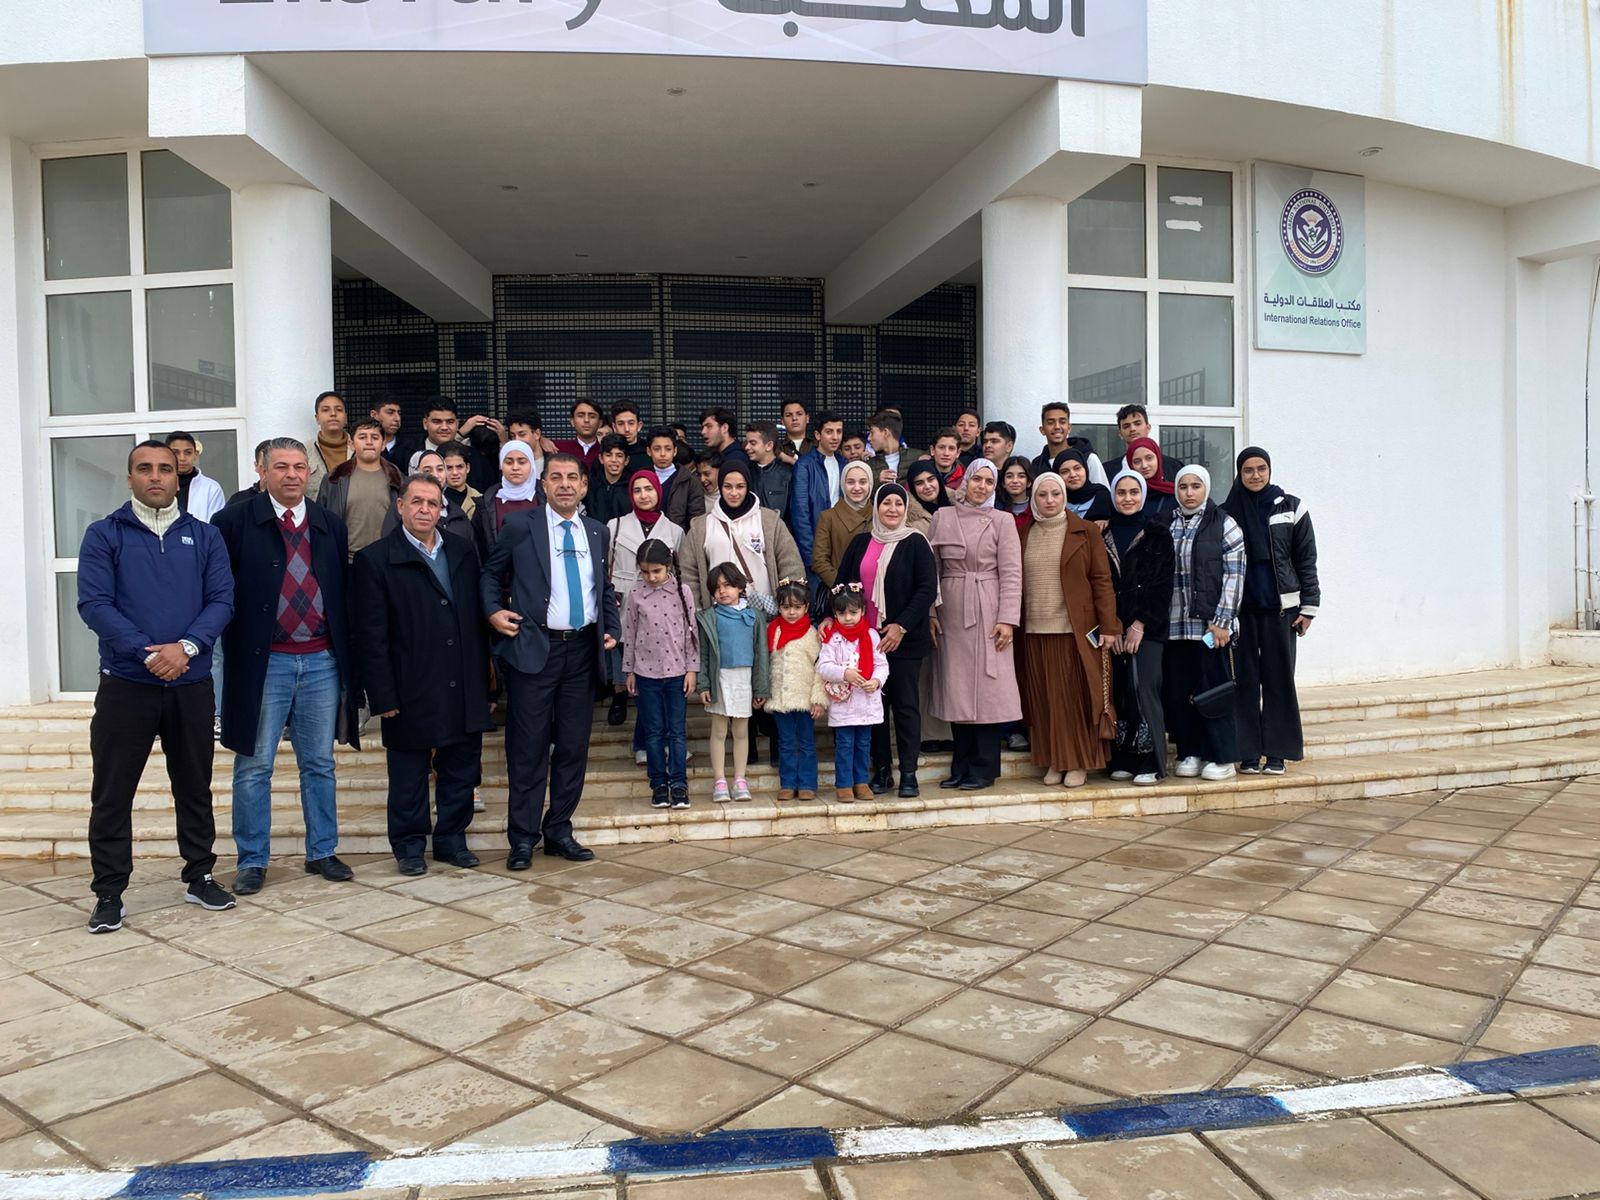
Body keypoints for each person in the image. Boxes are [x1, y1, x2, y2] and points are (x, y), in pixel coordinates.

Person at [78, 441, 236, 933]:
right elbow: (94, 604)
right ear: (129, 478)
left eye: (165, 469)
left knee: (194, 786)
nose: (155, 476)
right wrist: (147, 652)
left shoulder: (205, 536)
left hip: (190, 684)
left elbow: (222, 600)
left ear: (177, 477)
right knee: (112, 792)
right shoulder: (105, 534)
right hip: (126, 685)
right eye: (144, 468)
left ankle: (200, 875)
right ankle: (109, 892)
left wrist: (185, 648)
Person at [211, 437, 358, 895]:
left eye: (299, 467)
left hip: (320, 661)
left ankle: (323, 851)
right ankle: (252, 859)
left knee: (320, 764)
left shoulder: (329, 523)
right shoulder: (232, 522)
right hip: (264, 663)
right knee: (254, 766)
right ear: (262, 470)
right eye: (281, 466)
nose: (292, 474)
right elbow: (219, 590)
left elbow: (340, 590)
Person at [481, 453, 621, 866]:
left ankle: (559, 829)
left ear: (584, 486)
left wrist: (611, 626)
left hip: (581, 652)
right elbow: (490, 574)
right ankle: (523, 838)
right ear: (543, 484)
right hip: (534, 650)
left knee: (573, 747)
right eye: (556, 477)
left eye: (572, 477)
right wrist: (492, 611)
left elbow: (603, 587)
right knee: (528, 748)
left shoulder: (596, 532)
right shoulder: (520, 526)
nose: (564, 484)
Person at [353, 472, 491, 875]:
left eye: (433, 503)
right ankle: (410, 846)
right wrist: (382, 694)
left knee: (461, 768)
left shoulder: (462, 551)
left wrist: (485, 684)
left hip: (461, 680)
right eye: (416, 502)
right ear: (400, 506)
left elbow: (475, 619)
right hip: (409, 684)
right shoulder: (375, 559)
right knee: (408, 775)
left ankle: (451, 840)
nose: (424, 510)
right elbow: (370, 635)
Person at [1017, 472, 1122, 788]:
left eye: (1056, 494)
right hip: (1034, 631)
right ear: (1034, 499)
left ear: (1065, 496)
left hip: (1074, 630)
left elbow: (1102, 580)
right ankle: (1053, 760)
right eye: (1042, 495)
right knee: (1044, 700)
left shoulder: (1085, 531)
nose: (1049, 500)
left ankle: (1077, 762)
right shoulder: (1024, 533)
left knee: (1074, 700)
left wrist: (1109, 626)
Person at [1221, 447, 1320, 775]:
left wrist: (1309, 607)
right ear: (1239, 474)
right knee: (1244, 682)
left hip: (1282, 612)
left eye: (1261, 468)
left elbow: (1306, 559)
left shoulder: (1291, 507)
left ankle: (1277, 754)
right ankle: (1247, 752)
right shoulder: (1226, 512)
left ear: (1270, 470)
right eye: (1248, 470)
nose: (1255, 475)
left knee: (1279, 681)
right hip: (1241, 613)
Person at [836, 483, 938, 797]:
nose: (892, 509)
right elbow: (842, 585)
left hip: (904, 640)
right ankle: (881, 770)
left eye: (898, 503)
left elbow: (926, 589)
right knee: (873, 706)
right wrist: (832, 618)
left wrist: (900, 626)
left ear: (906, 508)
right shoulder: (860, 542)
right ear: (876, 507)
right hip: (864, 641)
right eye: (886, 503)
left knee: (905, 705)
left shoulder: (916, 542)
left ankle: (908, 773)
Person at [928, 460, 1022, 791]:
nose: (981, 486)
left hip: (989, 607)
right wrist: (931, 612)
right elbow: (932, 570)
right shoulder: (942, 517)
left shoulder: (1002, 520)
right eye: (976, 479)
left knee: (988, 690)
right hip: (952, 610)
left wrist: (1007, 618)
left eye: (988, 481)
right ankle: (961, 764)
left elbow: (1012, 573)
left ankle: (984, 767)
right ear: (965, 481)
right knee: (957, 689)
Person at [1165, 465, 1246, 782]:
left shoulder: (1224, 524)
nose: (1189, 492)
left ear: (1206, 488)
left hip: (1211, 629)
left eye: (1195, 486)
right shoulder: (1167, 523)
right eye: (1183, 486)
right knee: (1180, 694)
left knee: (1214, 694)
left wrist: (1222, 620)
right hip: (1174, 628)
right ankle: (1190, 752)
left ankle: (1221, 757)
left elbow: (1235, 576)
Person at [1103, 469, 1175, 785]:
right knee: (1121, 692)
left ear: (1143, 495)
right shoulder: (1103, 534)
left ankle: (1152, 762)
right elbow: (1101, 585)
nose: (1128, 498)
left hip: (1148, 629)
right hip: (1115, 630)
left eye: (1134, 492)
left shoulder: (1157, 533)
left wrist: (1139, 624)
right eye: (1121, 492)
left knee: (1144, 689)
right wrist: (1113, 626)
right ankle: (1124, 758)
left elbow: (1162, 585)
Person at [606, 470, 685, 731]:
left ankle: (651, 726)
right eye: (637, 490)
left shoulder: (674, 531)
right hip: (626, 596)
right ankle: (619, 695)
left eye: (649, 489)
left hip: (662, 603)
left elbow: (681, 571)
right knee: (623, 649)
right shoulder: (615, 526)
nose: (643, 495)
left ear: (658, 492)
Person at [624, 540, 698, 809]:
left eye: (656, 571)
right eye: (645, 572)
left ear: (668, 566)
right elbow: (630, 632)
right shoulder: (636, 593)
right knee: (653, 732)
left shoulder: (683, 591)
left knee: (676, 731)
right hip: (646, 673)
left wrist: (692, 669)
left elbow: (691, 633)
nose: (651, 577)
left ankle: (679, 784)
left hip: (677, 673)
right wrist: (629, 670)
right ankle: (658, 784)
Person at [680, 461, 805, 614]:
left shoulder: (769, 521)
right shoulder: (701, 526)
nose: (734, 493)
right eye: (727, 487)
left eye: (740, 486)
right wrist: (697, 611)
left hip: (763, 615)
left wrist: (790, 605)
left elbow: (790, 564)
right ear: (720, 486)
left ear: (748, 486)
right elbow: (688, 573)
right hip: (718, 617)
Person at [697, 563, 769, 803]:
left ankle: (740, 779)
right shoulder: (709, 617)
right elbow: (704, 654)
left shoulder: (754, 616)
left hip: (744, 679)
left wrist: (760, 687)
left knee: (741, 731)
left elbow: (761, 655)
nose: (722, 591)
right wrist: (703, 684)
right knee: (719, 731)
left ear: (740, 587)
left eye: (727, 585)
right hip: (720, 678)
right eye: (717, 588)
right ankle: (719, 780)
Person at [818, 583, 887, 802]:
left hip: (866, 702)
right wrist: (843, 673)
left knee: (863, 744)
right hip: (844, 703)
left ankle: (861, 782)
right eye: (842, 613)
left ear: (863, 611)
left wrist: (876, 681)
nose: (848, 618)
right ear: (835, 614)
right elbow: (823, 666)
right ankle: (844, 784)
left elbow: (881, 664)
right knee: (845, 744)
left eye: (853, 612)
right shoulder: (833, 638)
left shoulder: (871, 635)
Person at [764, 578, 827, 802]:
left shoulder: (812, 635)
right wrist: (762, 691)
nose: (791, 612)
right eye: (786, 607)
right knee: (786, 742)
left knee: (807, 743)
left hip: (804, 699)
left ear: (806, 607)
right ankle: (788, 783)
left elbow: (820, 669)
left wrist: (818, 699)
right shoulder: (772, 631)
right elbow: (766, 663)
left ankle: (807, 783)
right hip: (780, 698)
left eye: (797, 607)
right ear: (779, 607)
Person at [318, 418, 403, 559]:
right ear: (351, 443)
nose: (369, 442)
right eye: (362, 437)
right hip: (347, 560)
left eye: (375, 437)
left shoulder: (399, 480)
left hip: (387, 559)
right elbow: (321, 523)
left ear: (383, 444)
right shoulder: (334, 480)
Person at [789, 410, 846, 569]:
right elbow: (800, 513)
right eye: (829, 432)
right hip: (817, 544)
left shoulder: (845, 463)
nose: (835, 437)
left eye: (839, 431)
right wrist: (810, 556)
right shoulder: (804, 465)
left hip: (842, 542)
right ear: (817, 435)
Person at [473, 439, 542, 562]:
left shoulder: (546, 497)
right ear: (501, 465)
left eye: (522, 462)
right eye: (509, 462)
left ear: (531, 464)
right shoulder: (487, 503)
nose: (515, 467)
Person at [385, 449, 474, 543]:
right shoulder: (400, 508)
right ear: (414, 472)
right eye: (427, 470)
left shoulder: (456, 511)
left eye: (440, 469)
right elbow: (389, 545)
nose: (435, 475)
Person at [812, 460, 875, 589]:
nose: (857, 488)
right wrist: (841, 587)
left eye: (863, 482)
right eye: (850, 482)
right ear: (842, 484)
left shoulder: (880, 516)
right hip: (842, 595)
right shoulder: (828, 517)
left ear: (871, 484)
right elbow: (819, 561)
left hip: (874, 593)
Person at [1032, 401, 1108, 488]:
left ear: (1069, 428)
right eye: (1050, 423)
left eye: (1062, 422)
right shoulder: (1037, 465)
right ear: (1042, 430)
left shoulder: (1088, 458)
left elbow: (1103, 492)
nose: (1057, 427)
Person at [1106, 404, 1184, 478]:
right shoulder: (1108, 471)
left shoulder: (1173, 467)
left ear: (1148, 428)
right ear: (1120, 434)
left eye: (1137, 424)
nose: (1132, 429)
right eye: (1126, 426)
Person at [649, 425, 704, 528]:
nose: (662, 454)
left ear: (675, 451)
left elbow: (696, 520)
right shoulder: (640, 478)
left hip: (679, 537)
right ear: (649, 451)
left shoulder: (690, 480)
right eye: (657, 449)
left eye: (668, 449)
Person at [165, 431, 225, 522]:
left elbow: (215, 524)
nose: (182, 458)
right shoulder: (158, 485)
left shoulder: (211, 488)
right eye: (175, 453)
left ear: (195, 455)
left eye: (188, 452)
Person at [306, 391, 353, 502]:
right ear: (317, 418)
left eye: (339, 410)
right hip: (316, 511)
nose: (333, 414)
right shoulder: (304, 451)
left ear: (346, 418)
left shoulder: (360, 449)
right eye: (325, 410)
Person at [745, 421, 793, 518]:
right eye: (747, 442)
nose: (747, 447)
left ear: (769, 445)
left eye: (753, 443)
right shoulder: (745, 473)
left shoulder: (788, 474)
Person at [1125, 436, 1178, 521]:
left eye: (1149, 458)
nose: (1144, 465)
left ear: (1158, 458)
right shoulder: (1126, 496)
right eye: (1137, 461)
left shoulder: (1175, 494)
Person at [1055, 448, 1115, 523]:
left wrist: (1108, 522)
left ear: (1085, 470)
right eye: (1065, 472)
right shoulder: (1055, 502)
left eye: (1077, 468)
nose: (1073, 475)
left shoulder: (1102, 496)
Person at [866, 411, 923, 488]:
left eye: (872, 432)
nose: (869, 438)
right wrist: (877, 481)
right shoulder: (869, 465)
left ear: (885, 432)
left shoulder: (918, 458)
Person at [586, 434, 633, 525]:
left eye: (619, 456)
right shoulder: (591, 485)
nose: (614, 460)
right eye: (608, 455)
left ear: (626, 460)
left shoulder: (633, 487)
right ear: (601, 458)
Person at [552, 399, 604, 470]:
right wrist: (541, 439)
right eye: (580, 416)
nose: (586, 420)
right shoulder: (557, 448)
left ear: (600, 423)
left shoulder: (606, 452)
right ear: (572, 422)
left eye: (592, 416)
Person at [370, 393, 414, 472]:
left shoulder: (410, 448)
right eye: (390, 413)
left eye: (399, 413)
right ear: (374, 415)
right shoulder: (367, 446)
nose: (397, 418)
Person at [440, 443, 481, 520]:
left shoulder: (480, 500)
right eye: (449, 468)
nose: (455, 472)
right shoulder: (434, 498)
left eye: (459, 467)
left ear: (467, 468)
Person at [610, 401, 651, 475]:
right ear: (614, 427)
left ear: (639, 426)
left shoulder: (649, 452)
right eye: (621, 424)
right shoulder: (607, 452)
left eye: (631, 423)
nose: (627, 429)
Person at [227, 441, 270, 507]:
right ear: (256, 466)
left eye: (278, 466)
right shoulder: (239, 501)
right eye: (263, 466)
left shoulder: (287, 499)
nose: (268, 470)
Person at [998, 456, 1035, 531]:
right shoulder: (997, 511)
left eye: (1021, 476)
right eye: (1009, 476)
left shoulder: (1036, 512)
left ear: (1029, 482)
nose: (1015, 481)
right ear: (1003, 483)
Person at [778, 398, 815, 465]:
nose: (794, 418)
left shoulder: (818, 446)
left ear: (807, 418)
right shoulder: (776, 449)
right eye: (788, 415)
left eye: (799, 414)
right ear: (782, 421)